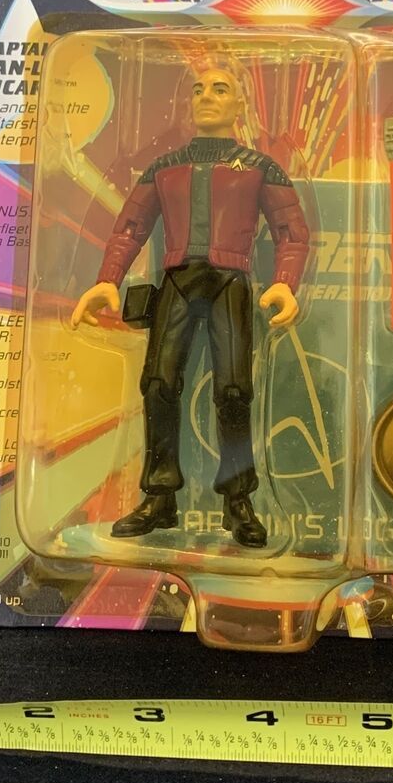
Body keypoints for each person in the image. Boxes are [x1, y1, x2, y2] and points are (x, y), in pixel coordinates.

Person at [70, 64, 309, 547]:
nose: (206, 97)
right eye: (198, 89)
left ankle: (238, 501)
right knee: (158, 384)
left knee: (235, 391)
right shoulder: (165, 167)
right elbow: (130, 227)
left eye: (220, 89)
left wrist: (285, 284)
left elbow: (291, 231)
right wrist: (107, 280)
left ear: (240, 104)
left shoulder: (259, 167)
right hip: (177, 282)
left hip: (230, 283)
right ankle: (160, 496)